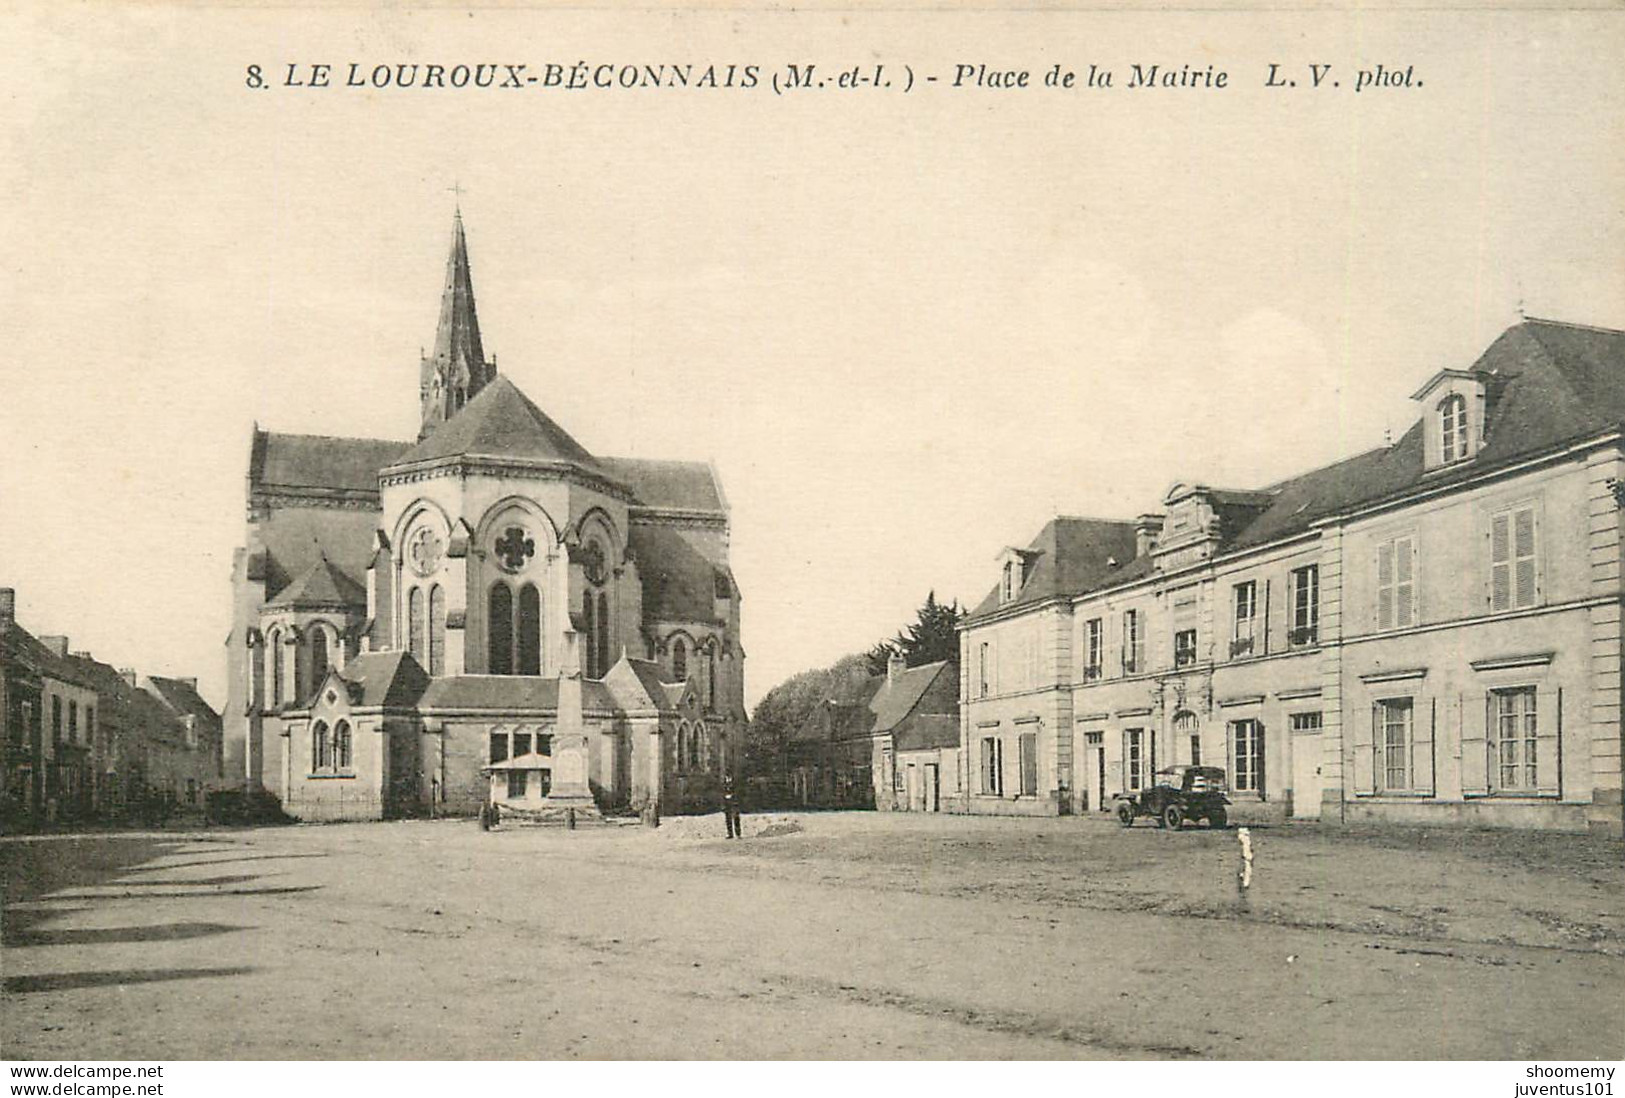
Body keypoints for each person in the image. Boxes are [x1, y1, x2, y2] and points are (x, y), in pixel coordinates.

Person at [721, 775, 742, 840]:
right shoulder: (724, 787)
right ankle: (730, 833)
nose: (728, 780)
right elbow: (722, 795)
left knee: (736, 818)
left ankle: (738, 833)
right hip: (727, 804)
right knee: (728, 819)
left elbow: (737, 794)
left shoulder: (735, 787)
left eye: (729, 779)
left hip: (734, 803)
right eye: (727, 779)